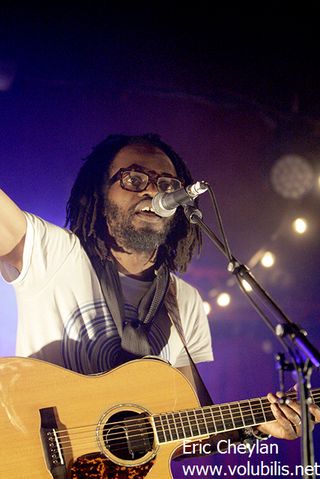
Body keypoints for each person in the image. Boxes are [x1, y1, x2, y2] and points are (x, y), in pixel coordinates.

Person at [0, 133, 319, 450]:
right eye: (134, 178)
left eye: (168, 185)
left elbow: (190, 435)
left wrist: (257, 428)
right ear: (101, 193)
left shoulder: (185, 300)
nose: (153, 191)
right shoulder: (53, 253)